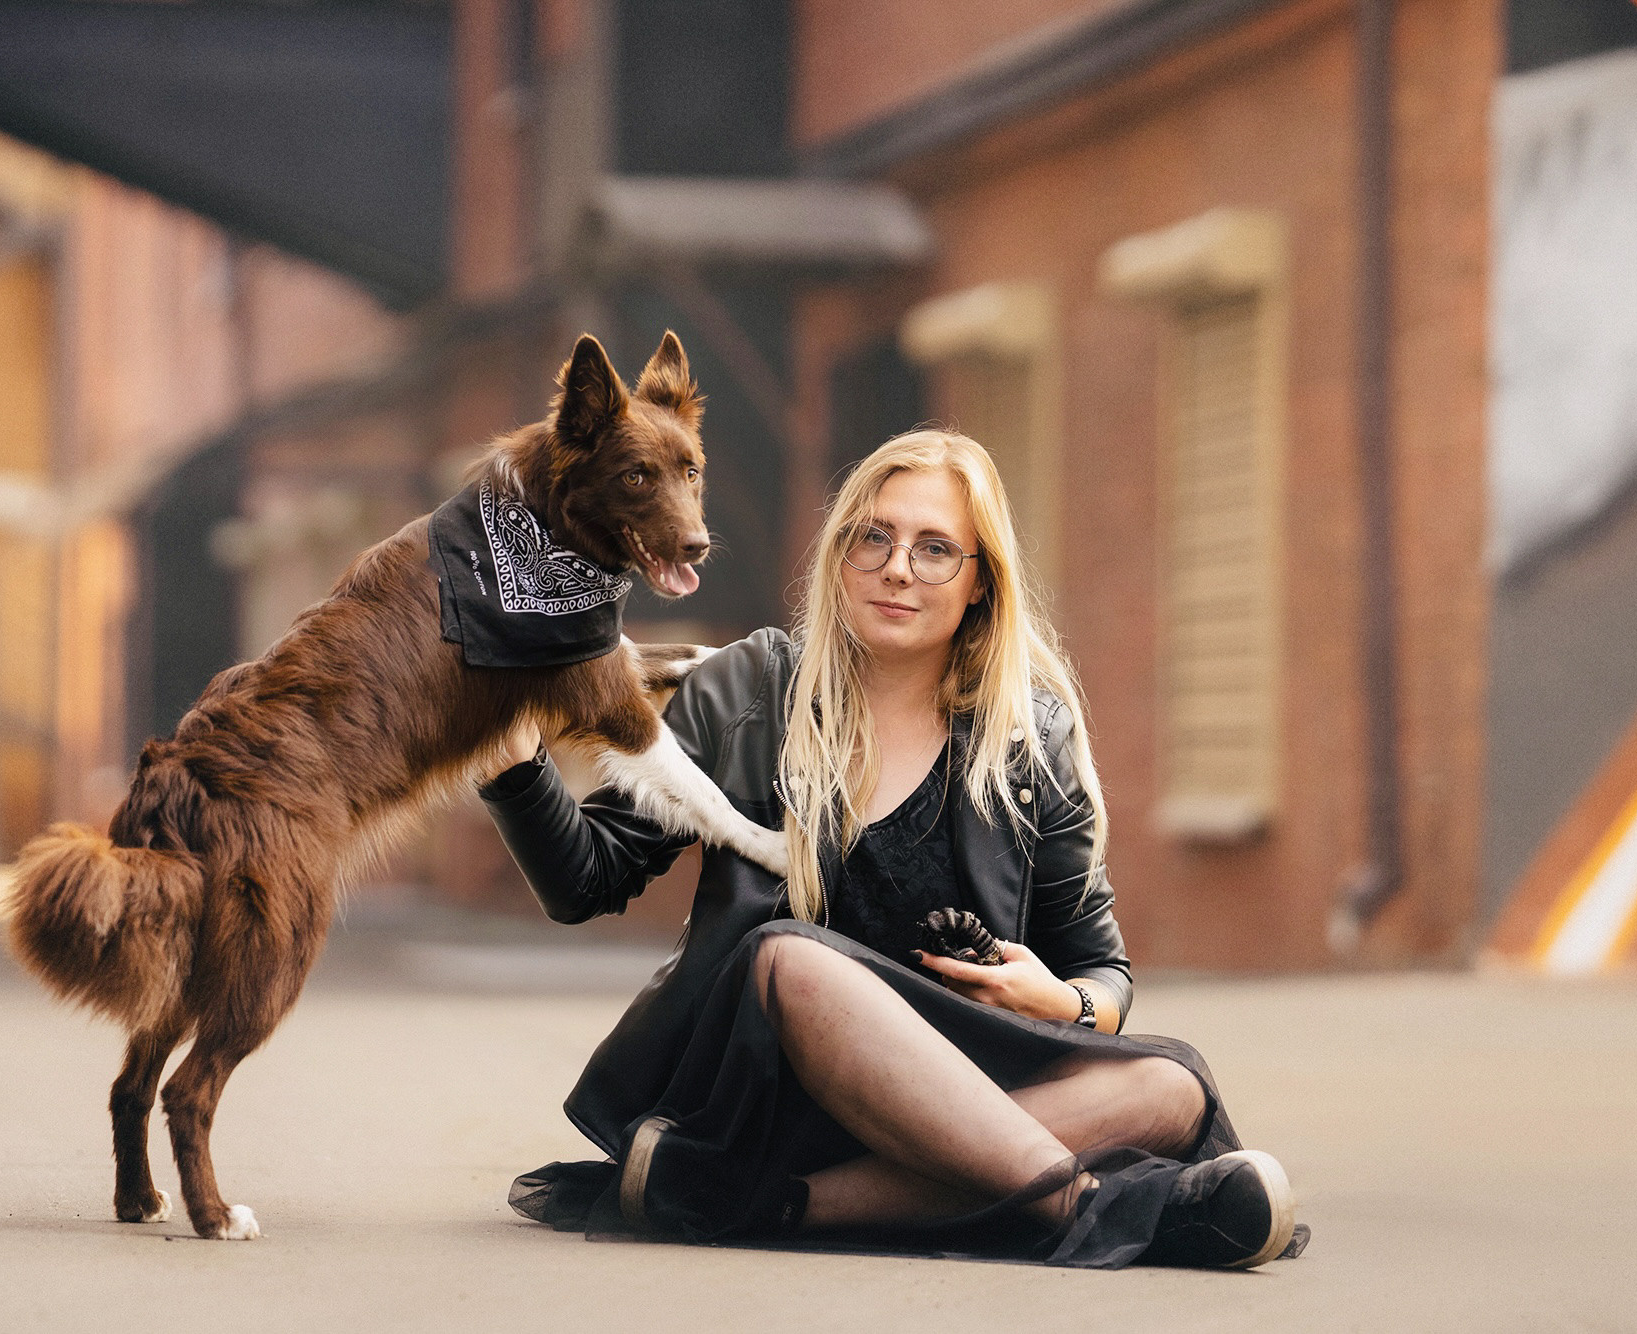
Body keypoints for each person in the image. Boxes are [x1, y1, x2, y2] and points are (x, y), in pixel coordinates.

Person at [477, 429, 1302, 1269]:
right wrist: (513, 766)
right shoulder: (748, 691)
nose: (898, 568)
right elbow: (586, 880)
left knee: (1171, 1087)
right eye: (873, 537)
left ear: (981, 583)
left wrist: (1061, 1002)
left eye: (936, 549)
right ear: (840, 557)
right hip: (764, 1093)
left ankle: (782, 1205)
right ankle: (1106, 1209)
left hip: (954, 1101)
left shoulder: (1029, 740)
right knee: (792, 959)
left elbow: (1103, 973)